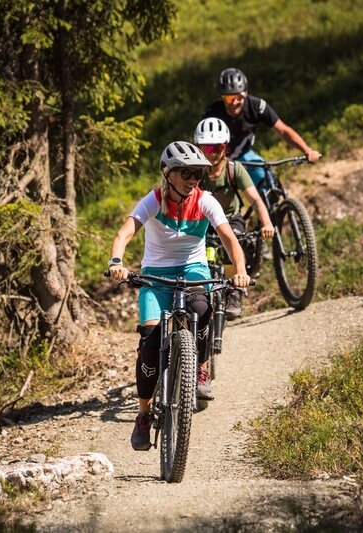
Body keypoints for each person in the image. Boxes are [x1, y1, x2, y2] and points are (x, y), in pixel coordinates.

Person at [108, 140, 250, 451]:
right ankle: (144, 414)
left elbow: (229, 239)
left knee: (201, 306)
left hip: (193, 270)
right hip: (155, 276)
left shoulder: (206, 200)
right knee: (149, 342)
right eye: (185, 173)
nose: (192, 180)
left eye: (198, 174)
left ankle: (198, 367)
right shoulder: (154, 200)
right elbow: (124, 233)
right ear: (167, 173)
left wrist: (239, 269)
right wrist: (116, 262)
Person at [193, 117, 274, 320]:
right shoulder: (194, 172)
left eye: (217, 147)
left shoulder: (234, 169)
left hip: (230, 219)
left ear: (225, 146)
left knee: (234, 241)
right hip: (203, 222)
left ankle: (234, 293)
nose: (212, 153)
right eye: (206, 147)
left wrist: (267, 223)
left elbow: (255, 199)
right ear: (198, 148)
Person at [202, 67, 322, 191]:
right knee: (224, 200)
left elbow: (283, 131)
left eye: (238, 96)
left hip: (245, 155)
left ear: (246, 92)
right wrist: (216, 161)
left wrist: (307, 150)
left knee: (270, 184)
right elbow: (205, 145)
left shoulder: (256, 106)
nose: (234, 102)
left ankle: (271, 207)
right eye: (229, 98)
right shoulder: (212, 113)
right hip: (220, 159)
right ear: (222, 97)